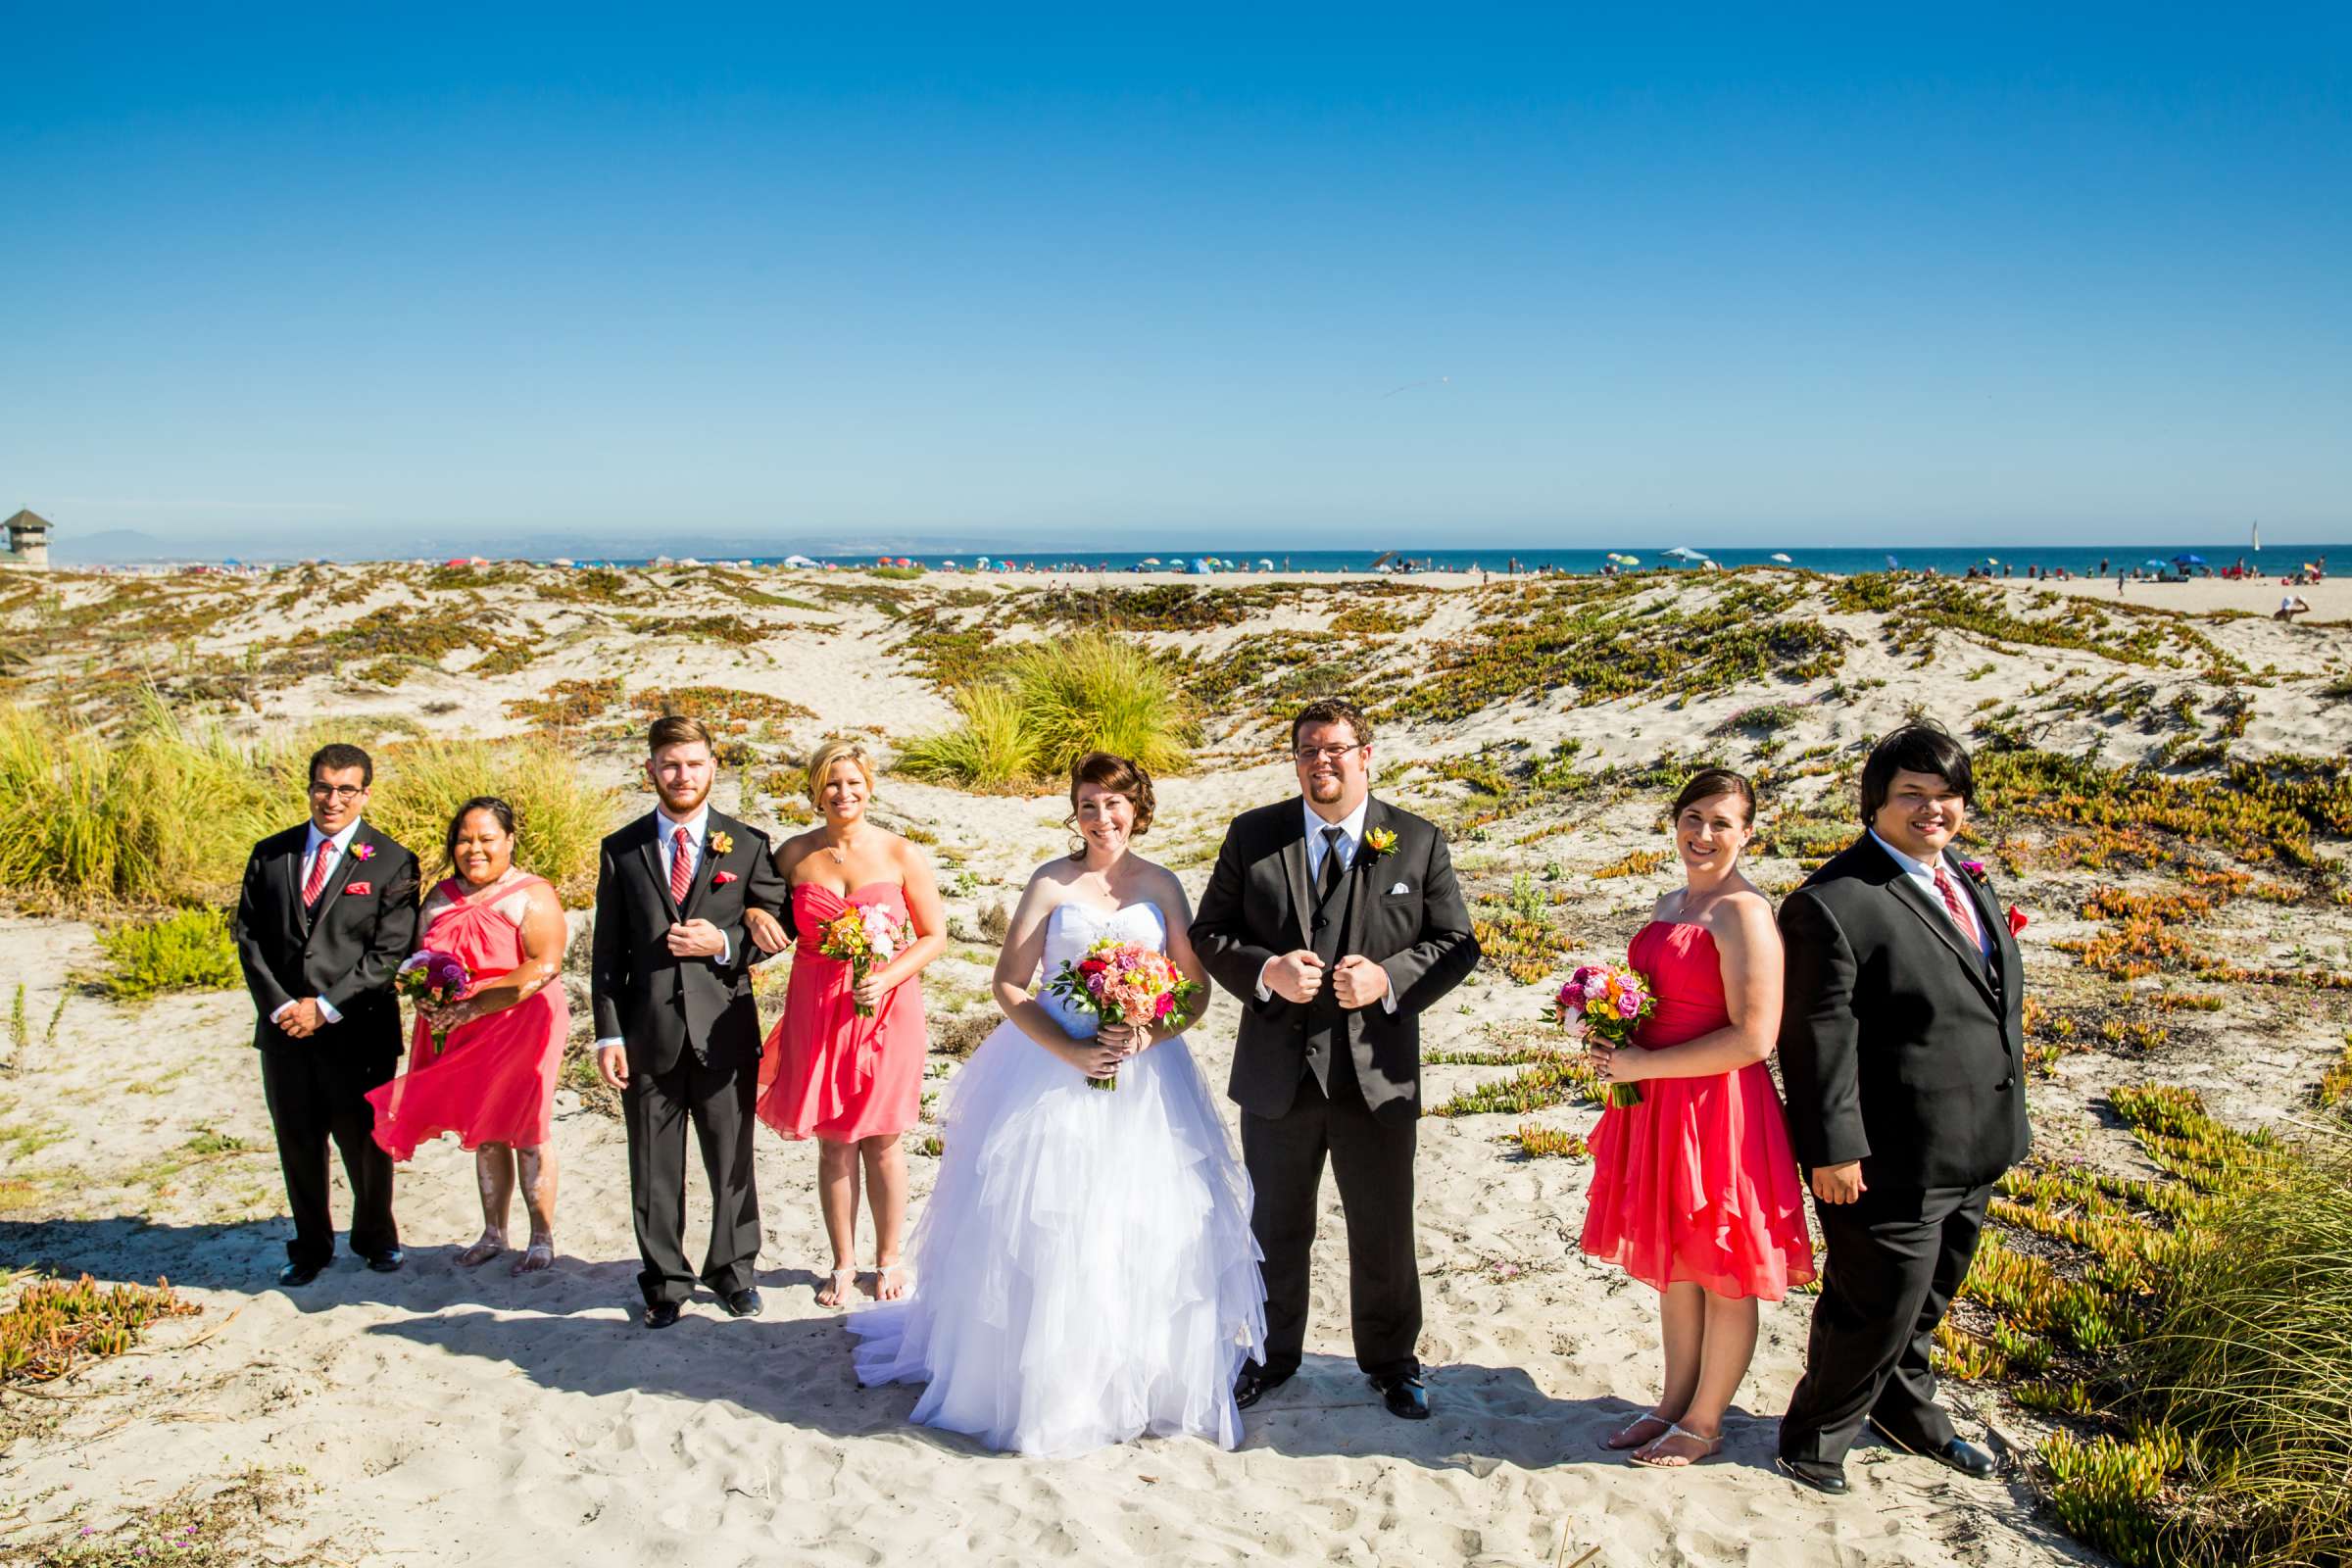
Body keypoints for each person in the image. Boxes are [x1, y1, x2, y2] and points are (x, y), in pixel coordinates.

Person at [848, 753, 1263, 1457]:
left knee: (1138, 1228)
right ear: (1074, 811)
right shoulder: (1051, 881)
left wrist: (1144, 1031)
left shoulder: (1162, 886)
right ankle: (1044, 1390)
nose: (1103, 818)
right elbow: (1009, 985)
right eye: (1089, 804)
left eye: (1115, 804)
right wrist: (1069, 1052)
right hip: (1049, 1070)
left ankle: (1136, 1381)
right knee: (1050, 1227)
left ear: (1139, 807)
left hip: (1144, 1082)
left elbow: (1194, 993)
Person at [1191, 698, 1481, 1421]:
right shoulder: (1253, 836)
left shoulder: (1414, 840)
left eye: (1337, 749)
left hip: (1375, 1075)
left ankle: (1391, 1363)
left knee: (1382, 1226)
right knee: (1274, 1228)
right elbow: (1211, 931)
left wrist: (1388, 980)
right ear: (1295, 760)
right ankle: (1268, 1355)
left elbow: (1456, 942)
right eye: (1308, 750)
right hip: (1276, 1076)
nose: (1323, 761)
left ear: (1365, 754)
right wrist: (1266, 974)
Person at [1775, 722, 2029, 1496]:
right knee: (1873, 1306)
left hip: (1974, 1142)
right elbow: (1818, 1041)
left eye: (1947, 796)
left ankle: (1903, 1411)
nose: (1933, 810)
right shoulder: (1833, 902)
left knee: (1929, 1301)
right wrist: (1832, 1150)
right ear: (1874, 803)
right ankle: (1812, 1439)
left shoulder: (1965, 879)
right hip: (1886, 1154)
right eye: (1912, 794)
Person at [1576, 769, 1814, 1467]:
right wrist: (1611, 1032)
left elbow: (1754, 1037)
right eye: (1692, 817)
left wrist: (1644, 1066)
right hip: (1657, 1105)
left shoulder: (1745, 913)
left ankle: (1706, 1422)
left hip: (1720, 1110)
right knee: (1676, 1265)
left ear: (1747, 835)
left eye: (1720, 823)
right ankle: (1672, 1401)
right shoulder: (1669, 900)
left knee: (1721, 1268)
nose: (1703, 834)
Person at [592, 716, 790, 1328]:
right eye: (670, 764)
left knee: (732, 1159)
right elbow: (606, 952)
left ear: (713, 766)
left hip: (723, 1030)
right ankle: (665, 1282)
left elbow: (777, 929)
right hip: (646, 1031)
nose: (683, 775)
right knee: (653, 1166)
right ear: (649, 769)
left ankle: (733, 1272)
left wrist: (725, 942)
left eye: (694, 763)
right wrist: (607, 1032)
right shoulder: (621, 849)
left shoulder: (749, 843)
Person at [747, 740, 946, 1306]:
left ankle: (887, 1259)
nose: (843, 793)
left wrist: (886, 978)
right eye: (832, 783)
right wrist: (756, 911)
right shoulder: (793, 855)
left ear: (870, 786)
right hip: (818, 1007)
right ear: (816, 789)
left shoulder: (900, 853)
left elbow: (934, 936)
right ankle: (841, 1263)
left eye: (853, 782)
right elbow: (748, 898)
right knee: (834, 1143)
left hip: (887, 1007)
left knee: (883, 1140)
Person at [231, 743, 419, 1287]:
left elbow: (389, 952)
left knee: (365, 1144)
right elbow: (249, 939)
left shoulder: (391, 859)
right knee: (298, 1141)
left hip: (357, 1031)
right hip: (285, 1030)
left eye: (345, 789)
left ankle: (376, 1238)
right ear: (309, 787)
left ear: (365, 793)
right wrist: (284, 1006)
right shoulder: (272, 854)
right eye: (322, 787)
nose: (331, 800)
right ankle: (311, 1246)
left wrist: (328, 1007)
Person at [366, 798, 570, 1274]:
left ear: (510, 841)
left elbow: (545, 964)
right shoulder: (438, 898)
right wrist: (422, 997)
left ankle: (541, 1236)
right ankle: (494, 1233)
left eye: (486, 839)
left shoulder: (531, 893)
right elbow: (417, 962)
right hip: (459, 1026)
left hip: (522, 1022)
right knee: (485, 1128)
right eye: (464, 839)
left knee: (528, 1127)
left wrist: (475, 1005)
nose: (474, 849)